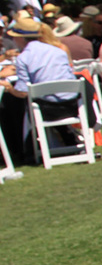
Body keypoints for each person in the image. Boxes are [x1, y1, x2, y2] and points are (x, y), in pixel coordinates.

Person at [4, 15, 87, 158]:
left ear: (20, 38)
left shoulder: (24, 57)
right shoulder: (58, 51)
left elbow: (23, 92)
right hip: (73, 105)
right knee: (46, 97)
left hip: (47, 110)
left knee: (20, 103)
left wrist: (8, 88)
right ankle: (66, 139)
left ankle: (24, 148)